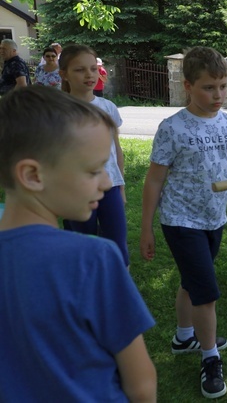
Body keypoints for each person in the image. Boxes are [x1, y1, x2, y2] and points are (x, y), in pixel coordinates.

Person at [0, 86, 156, 401]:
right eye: (93, 170)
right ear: (32, 175)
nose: (108, 181)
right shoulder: (94, 258)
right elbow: (141, 382)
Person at [140, 46, 227, 399]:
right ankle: (210, 358)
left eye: (223, 86)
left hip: (215, 217)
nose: (219, 95)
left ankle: (184, 337)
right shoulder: (172, 128)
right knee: (206, 293)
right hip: (181, 219)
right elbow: (153, 179)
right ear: (189, 85)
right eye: (209, 87)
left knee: (192, 281)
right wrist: (146, 227)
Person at [59, 45, 129, 267]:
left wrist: (121, 187)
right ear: (64, 74)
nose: (89, 75)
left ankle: (118, 288)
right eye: (80, 70)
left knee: (117, 244)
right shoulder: (57, 111)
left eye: (93, 69)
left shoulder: (107, 107)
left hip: (109, 187)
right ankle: (86, 291)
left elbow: (116, 148)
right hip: (75, 191)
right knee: (83, 245)